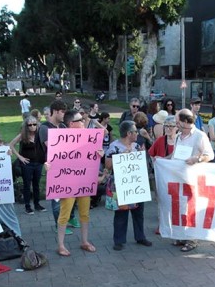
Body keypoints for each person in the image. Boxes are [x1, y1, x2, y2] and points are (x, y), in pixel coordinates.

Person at [55, 109, 97, 257]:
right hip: (68, 182)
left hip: (84, 180)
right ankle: (60, 245)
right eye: (80, 120)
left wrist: (99, 154)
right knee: (65, 213)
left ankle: (84, 241)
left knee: (85, 212)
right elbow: (55, 159)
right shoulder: (61, 139)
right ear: (72, 123)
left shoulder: (88, 137)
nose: (83, 121)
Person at [105, 120, 152, 251]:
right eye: (135, 131)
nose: (137, 134)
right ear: (129, 133)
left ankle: (140, 236)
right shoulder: (114, 146)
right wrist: (121, 157)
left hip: (136, 183)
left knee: (139, 212)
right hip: (122, 185)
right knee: (121, 213)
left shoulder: (137, 146)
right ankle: (119, 240)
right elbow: (108, 165)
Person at [171, 109, 214, 252]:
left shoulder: (200, 136)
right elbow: (175, 154)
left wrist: (198, 159)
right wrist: (163, 160)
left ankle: (192, 239)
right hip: (178, 178)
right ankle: (182, 235)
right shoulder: (178, 136)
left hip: (193, 178)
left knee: (191, 208)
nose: (176, 125)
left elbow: (210, 155)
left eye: (178, 122)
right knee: (180, 207)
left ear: (185, 122)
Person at [8, 116, 44, 214]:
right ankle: (27, 206)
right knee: (27, 185)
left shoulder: (40, 134)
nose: (32, 126)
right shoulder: (23, 135)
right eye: (30, 125)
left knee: (36, 184)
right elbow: (11, 145)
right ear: (26, 126)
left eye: (34, 124)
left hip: (38, 163)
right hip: (27, 164)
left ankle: (37, 204)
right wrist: (20, 157)